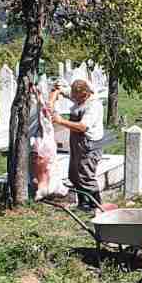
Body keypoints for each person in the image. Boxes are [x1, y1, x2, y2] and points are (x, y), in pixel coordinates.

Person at [51, 80, 104, 211]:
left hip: (88, 144)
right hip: (77, 141)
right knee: (74, 174)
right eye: (73, 96)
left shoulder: (93, 106)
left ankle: (97, 206)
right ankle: (83, 204)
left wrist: (60, 121)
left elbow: (82, 127)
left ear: (85, 94)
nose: (73, 99)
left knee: (86, 175)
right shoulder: (77, 95)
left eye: (76, 97)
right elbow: (65, 92)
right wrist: (57, 91)